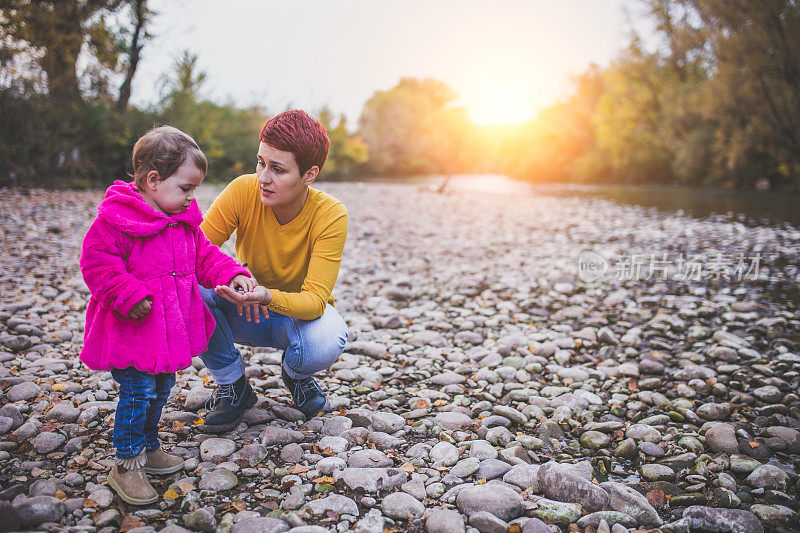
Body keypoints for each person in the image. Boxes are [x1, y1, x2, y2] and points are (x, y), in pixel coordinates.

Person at [79, 126, 253, 505]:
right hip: (132, 330)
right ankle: (126, 463)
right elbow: (97, 264)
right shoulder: (117, 220)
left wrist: (233, 273)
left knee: (160, 388)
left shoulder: (183, 221)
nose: (192, 197)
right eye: (186, 188)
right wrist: (128, 294)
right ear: (153, 180)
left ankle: (150, 446)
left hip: (165, 331)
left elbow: (205, 256)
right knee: (138, 390)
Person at [199, 110, 349, 432]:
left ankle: (295, 374)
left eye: (278, 169)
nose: (263, 178)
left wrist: (266, 296)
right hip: (240, 309)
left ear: (309, 175)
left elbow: (314, 302)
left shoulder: (331, 214)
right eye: (260, 163)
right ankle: (233, 385)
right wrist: (232, 273)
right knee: (183, 288)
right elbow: (192, 250)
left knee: (328, 339)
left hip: (293, 318)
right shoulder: (243, 190)